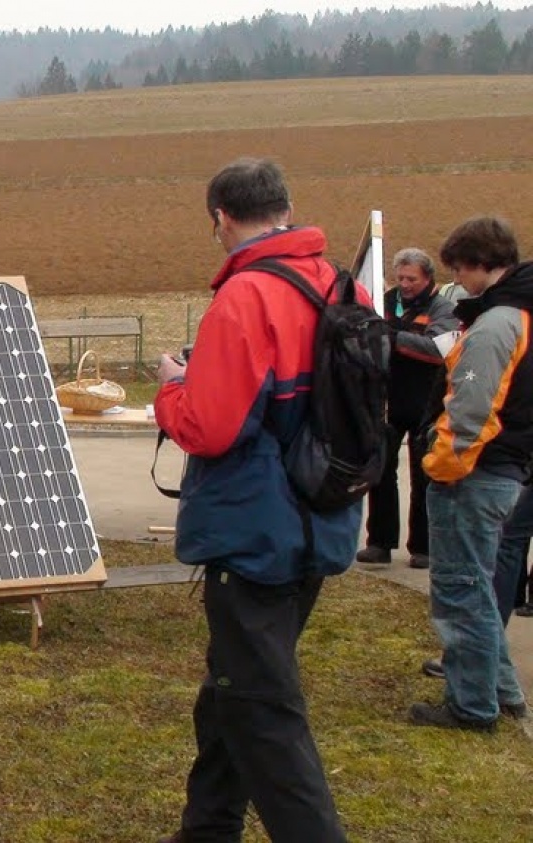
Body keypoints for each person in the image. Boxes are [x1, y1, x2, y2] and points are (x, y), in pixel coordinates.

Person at [153, 159, 351, 843]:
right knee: (230, 691)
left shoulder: (247, 296)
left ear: (221, 218)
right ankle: (208, 828)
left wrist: (173, 385)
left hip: (256, 534)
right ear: (286, 208)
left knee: (263, 710)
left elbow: (211, 427)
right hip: (321, 519)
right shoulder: (336, 285)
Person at [412, 216, 533, 730]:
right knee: (478, 588)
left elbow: (472, 406)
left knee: (461, 590)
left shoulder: (497, 324)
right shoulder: (520, 314)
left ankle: (472, 705)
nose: (457, 280)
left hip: (475, 473)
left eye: (460, 269)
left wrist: (440, 465)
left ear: (482, 262)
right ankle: (503, 692)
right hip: (505, 468)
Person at [355, 249, 458, 570]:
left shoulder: (443, 308)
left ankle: (423, 547)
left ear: (428, 278)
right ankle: (379, 542)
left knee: (423, 474)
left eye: (411, 279)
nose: (404, 284)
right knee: (381, 471)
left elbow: (439, 350)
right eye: (400, 278)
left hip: (426, 402)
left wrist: (394, 337)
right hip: (389, 400)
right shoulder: (385, 302)